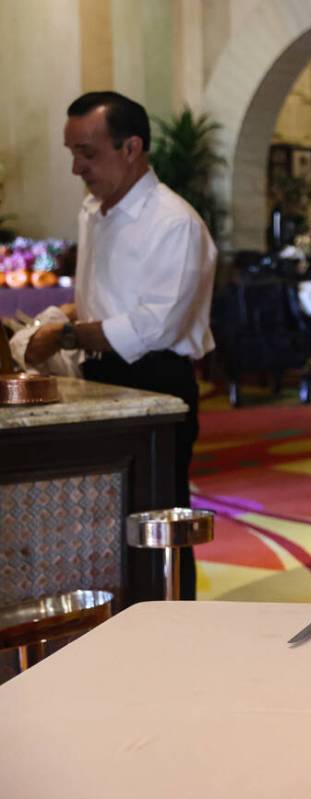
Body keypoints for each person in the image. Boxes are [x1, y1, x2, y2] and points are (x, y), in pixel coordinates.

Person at [25, 91, 217, 600]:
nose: (76, 167)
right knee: (101, 520)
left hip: (156, 381)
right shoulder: (95, 211)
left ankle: (174, 623)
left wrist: (63, 335)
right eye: (72, 152)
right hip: (99, 376)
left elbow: (153, 326)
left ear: (131, 147)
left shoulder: (173, 222)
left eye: (87, 152)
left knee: (156, 523)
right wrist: (66, 319)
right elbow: (99, 301)